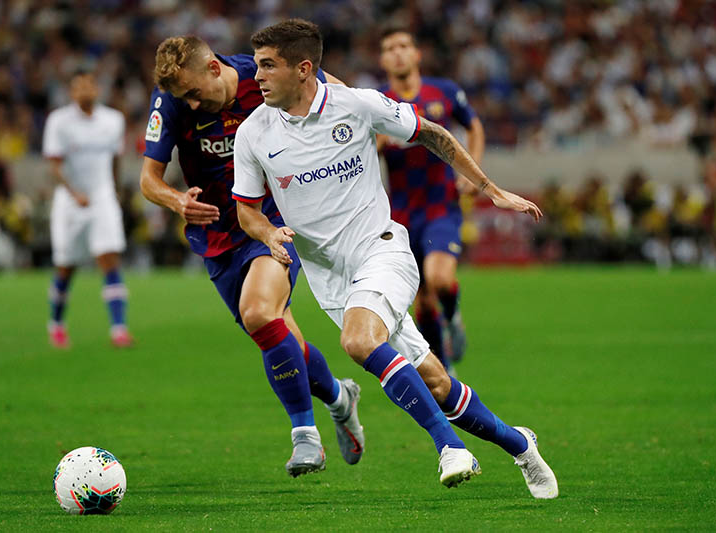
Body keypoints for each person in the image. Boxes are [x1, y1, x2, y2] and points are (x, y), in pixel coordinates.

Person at [232, 19, 558, 497]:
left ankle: (449, 448)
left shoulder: (356, 104)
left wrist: (490, 190)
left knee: (358, 341)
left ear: (304, 69)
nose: (254, 76)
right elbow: (246, 210)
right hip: (331, 280)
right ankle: (520, 445)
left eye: (266, 66)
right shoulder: (253, 133)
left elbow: (432, 133)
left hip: (382, 250)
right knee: (436, 382)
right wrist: (268, 232)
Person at [138, 36, 364, 477]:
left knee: (260, 313)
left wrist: (375, 124)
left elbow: (334, 94)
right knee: (283, 338)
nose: (191, 103)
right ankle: (340, 397)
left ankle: (305, 437)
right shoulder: (170, 103)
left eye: (195, 93)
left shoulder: (263, 74)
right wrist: (176, 201)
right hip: (217, 237)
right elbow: (148, 179)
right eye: (183, 97)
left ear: (215, 69)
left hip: (271, 219)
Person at [378, 27, 486, 368]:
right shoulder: (378, 102)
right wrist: (378, 143)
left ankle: (453, 318)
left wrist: (473, 171)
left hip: (441, 204)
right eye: (390, 48)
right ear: (383, 60)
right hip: (402, 213)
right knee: (422, 303)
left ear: (416, 54)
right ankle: (446, 367)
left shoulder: (444, 92)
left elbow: (475, 127)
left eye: (403, 45)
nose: (397, 52)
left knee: (440, 279)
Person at [42, 69, 133, 348]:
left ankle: (119, 329)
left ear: (97, 89)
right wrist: (73, 192)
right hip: (70, 202)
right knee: (66, 267)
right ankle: (56, 323)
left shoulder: (113, 120)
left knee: (110, 259)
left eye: (90, 85)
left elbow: (115, 160)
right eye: (79, 86)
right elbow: (54, 165)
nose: (86, 90)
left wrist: (114, 191)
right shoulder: (59, 121)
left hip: (102, 197)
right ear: (71, 92)